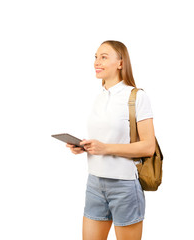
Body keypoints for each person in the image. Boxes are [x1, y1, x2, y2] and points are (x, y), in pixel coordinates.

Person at [66, 40, 155, 240]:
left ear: (120, 63)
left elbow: (148, 147)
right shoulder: (99, 96)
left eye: (104, 57)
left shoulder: (137, 97)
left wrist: (105, 148)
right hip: (95, 182)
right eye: (96, 57)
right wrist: (85, 147)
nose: (97, 62)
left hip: (124, 185)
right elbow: (105, 141)